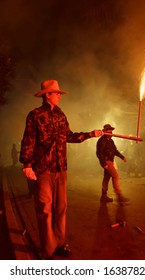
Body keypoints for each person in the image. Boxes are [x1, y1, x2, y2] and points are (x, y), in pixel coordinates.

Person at [19, 79, 103, 259]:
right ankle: (47, 249)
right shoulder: (35, 115)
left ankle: (59, 243)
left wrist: (91, 134)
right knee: (44, 210)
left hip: (60, 168)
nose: (59, 96)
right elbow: (28, 140)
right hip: (42, 170)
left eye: (59, 93)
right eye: (56, 93)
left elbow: (69, 136)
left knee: (61, 208)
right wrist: (27, 165)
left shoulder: (60, 115)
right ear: (47, 95)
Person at [96, 124, 129, 203]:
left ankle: (103, 196)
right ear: (105, 131)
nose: (111, 132)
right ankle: (119, 196)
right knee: (115, 175)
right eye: (109, 130)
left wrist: (122, 157)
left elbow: (115, 151)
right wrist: (104, 164)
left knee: (106, 178)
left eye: (111, 130)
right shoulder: (102, 140)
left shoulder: (110, 140)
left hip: (110, 161)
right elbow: (99, 153)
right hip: (107, 161)